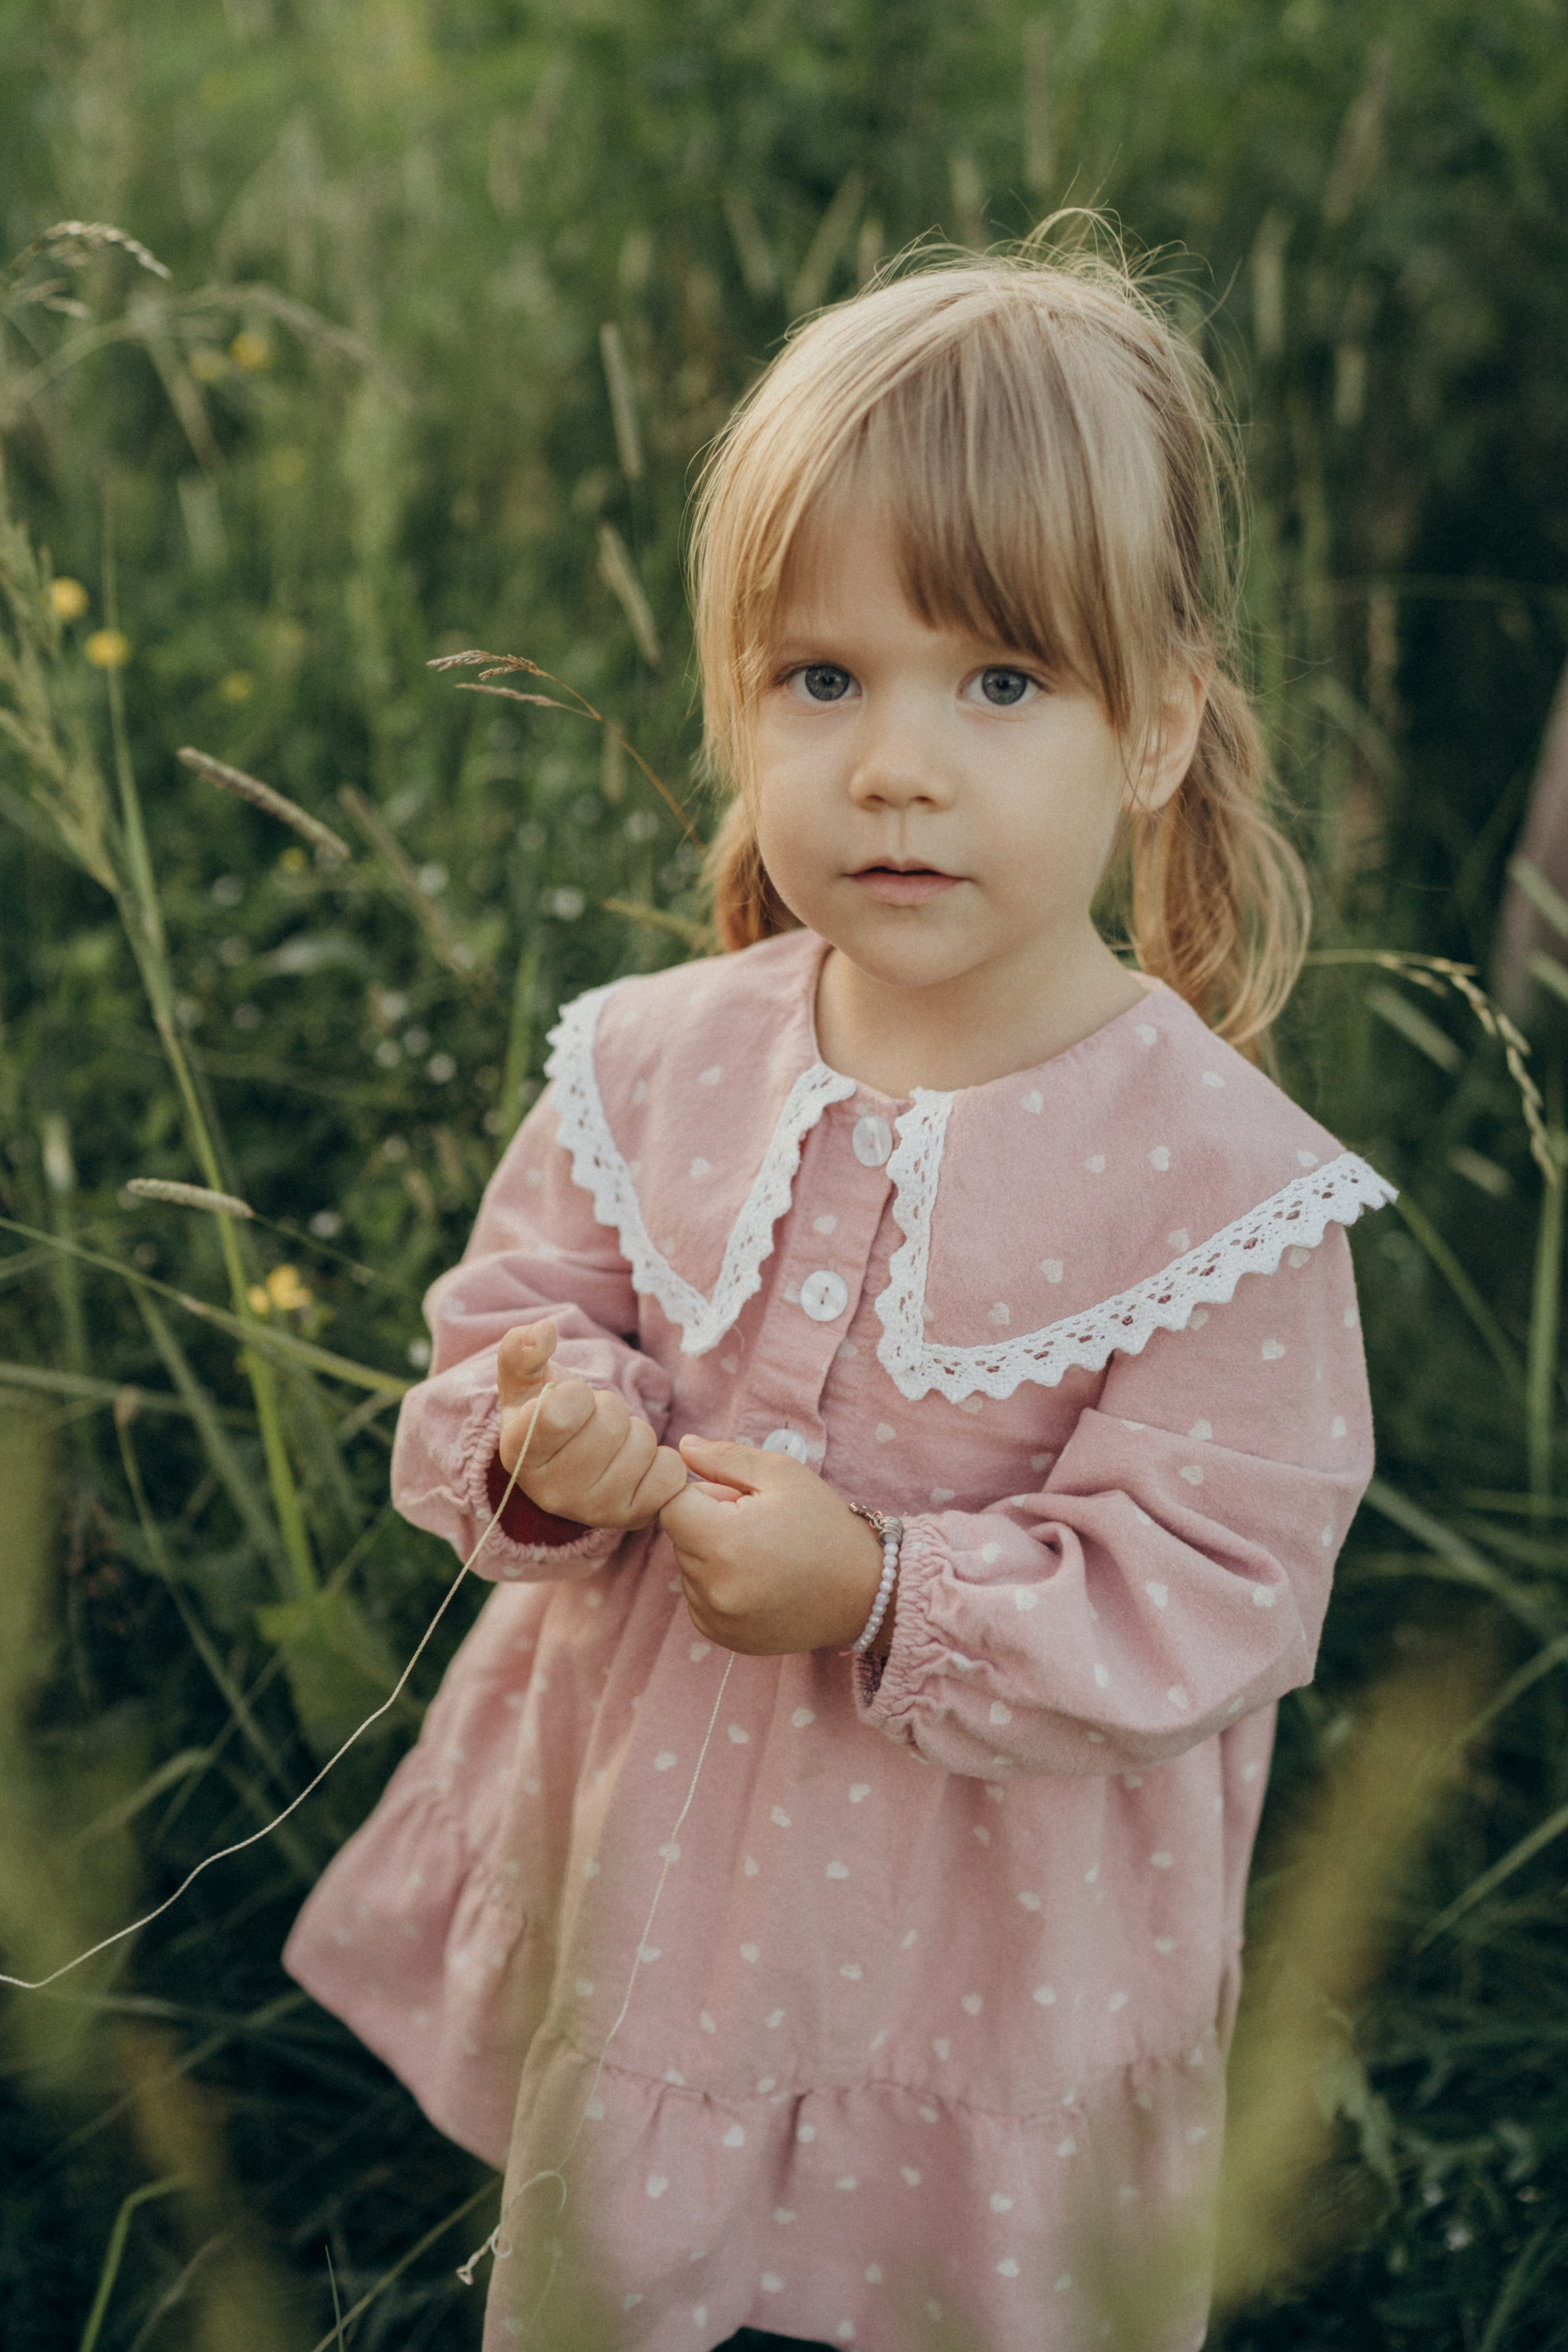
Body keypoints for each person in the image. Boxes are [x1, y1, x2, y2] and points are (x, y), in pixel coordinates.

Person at [285, 236, 1393, 2352]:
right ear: (738, 703)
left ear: (1155, 722)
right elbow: (507, 1322)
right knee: (633, 2235)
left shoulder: (1218, 1191)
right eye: (824, 680)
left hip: (969, 1929)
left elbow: (1218, 1584)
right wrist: (563, 1424)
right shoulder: (656, 1059)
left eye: (997, 683)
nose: (897, 764)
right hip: (654, 1852)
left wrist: (884, 1587)